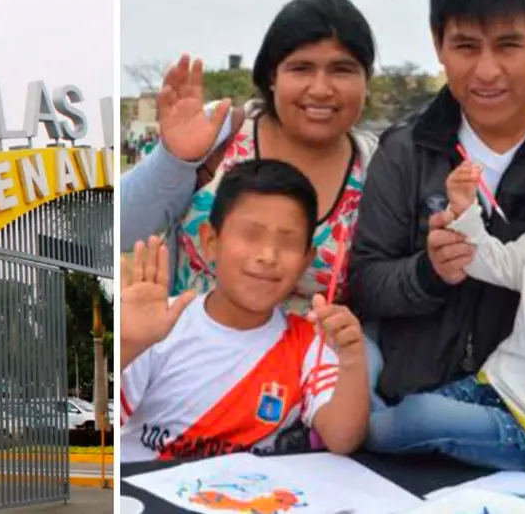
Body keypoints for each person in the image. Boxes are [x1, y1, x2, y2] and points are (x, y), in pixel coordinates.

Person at [350, 0, 525, 491]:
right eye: (465, 46)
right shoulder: (406, 149)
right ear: (437, 45)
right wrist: (428, 273)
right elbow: (366, 281)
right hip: (412, 427)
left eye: (508, 45)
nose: (487, 71)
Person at [367, 130, 525, 492]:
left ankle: (355, 426)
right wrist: (465, 208)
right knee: (416, 407)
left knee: (422, 416)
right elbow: (483, 260)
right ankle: (358, 410)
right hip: (489, 387)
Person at [120, 0, 378, 325]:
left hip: (309, 358)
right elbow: (121, 229)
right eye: (301, 68)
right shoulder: (219, 132)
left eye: (342, 70)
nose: (320, 89)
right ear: (271, 77)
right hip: (185, 352)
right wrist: (175, 161)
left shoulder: (378, 170)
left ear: (366, 80)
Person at [119, 159, 369, 463]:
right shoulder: (160, 324)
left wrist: (352, 358)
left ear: (307, 259)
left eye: (288, 242)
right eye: (251, 235)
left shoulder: (309, 343)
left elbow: (343, 438)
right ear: (211, 241)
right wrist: (128, 344)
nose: (268, 256)